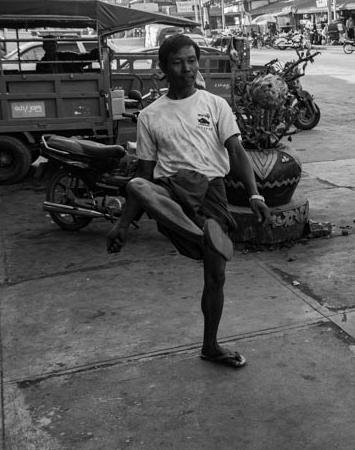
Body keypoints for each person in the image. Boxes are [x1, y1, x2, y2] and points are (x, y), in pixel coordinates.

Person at [106, 35, 271, 369]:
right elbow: (146, 172)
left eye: (192, 61)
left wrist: (255, 194)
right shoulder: (150, 115)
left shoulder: (214, 105)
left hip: (212, 192)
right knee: (139, 184)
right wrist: (122, 225)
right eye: (178, 62)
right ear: (164, 67)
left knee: (216, 278)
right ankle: (198, 234)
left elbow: (236, 151)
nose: (186, 68)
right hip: (172, 191)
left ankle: (210, 346)